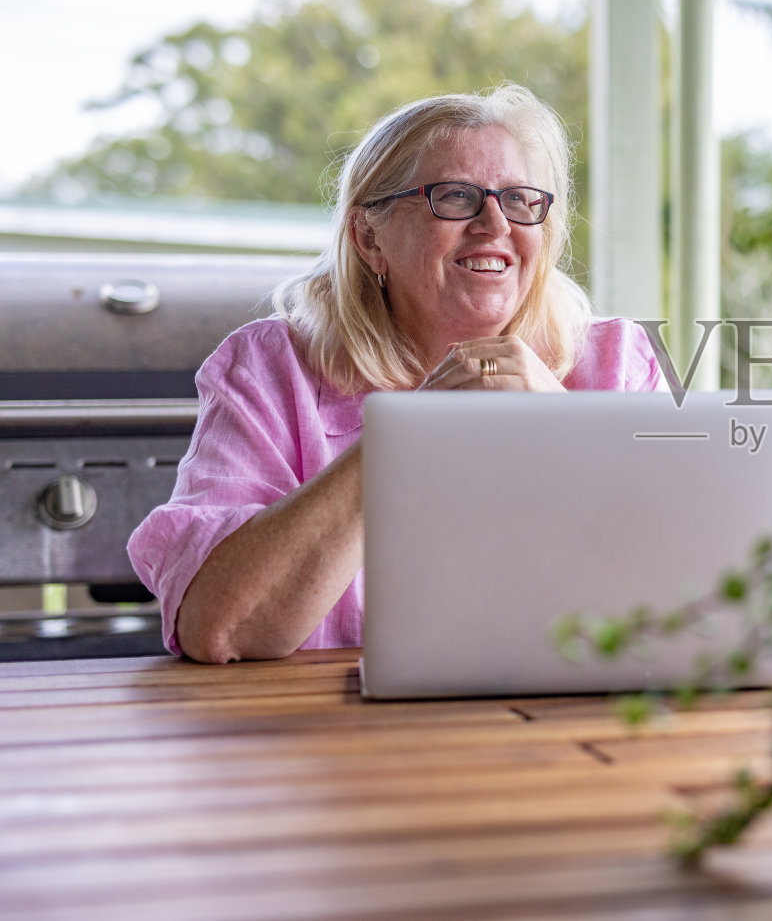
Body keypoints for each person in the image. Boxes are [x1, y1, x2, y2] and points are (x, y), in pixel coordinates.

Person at [128, 85, 663, 664]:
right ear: (369, 237)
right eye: (455, 197)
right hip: (332, 741)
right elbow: (223, 629)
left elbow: (685, 595)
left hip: (566, 732)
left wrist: (566, 429)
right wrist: (405, 438)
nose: (494, 223)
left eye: (519, 199)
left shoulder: (615, 360)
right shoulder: (271, 369)